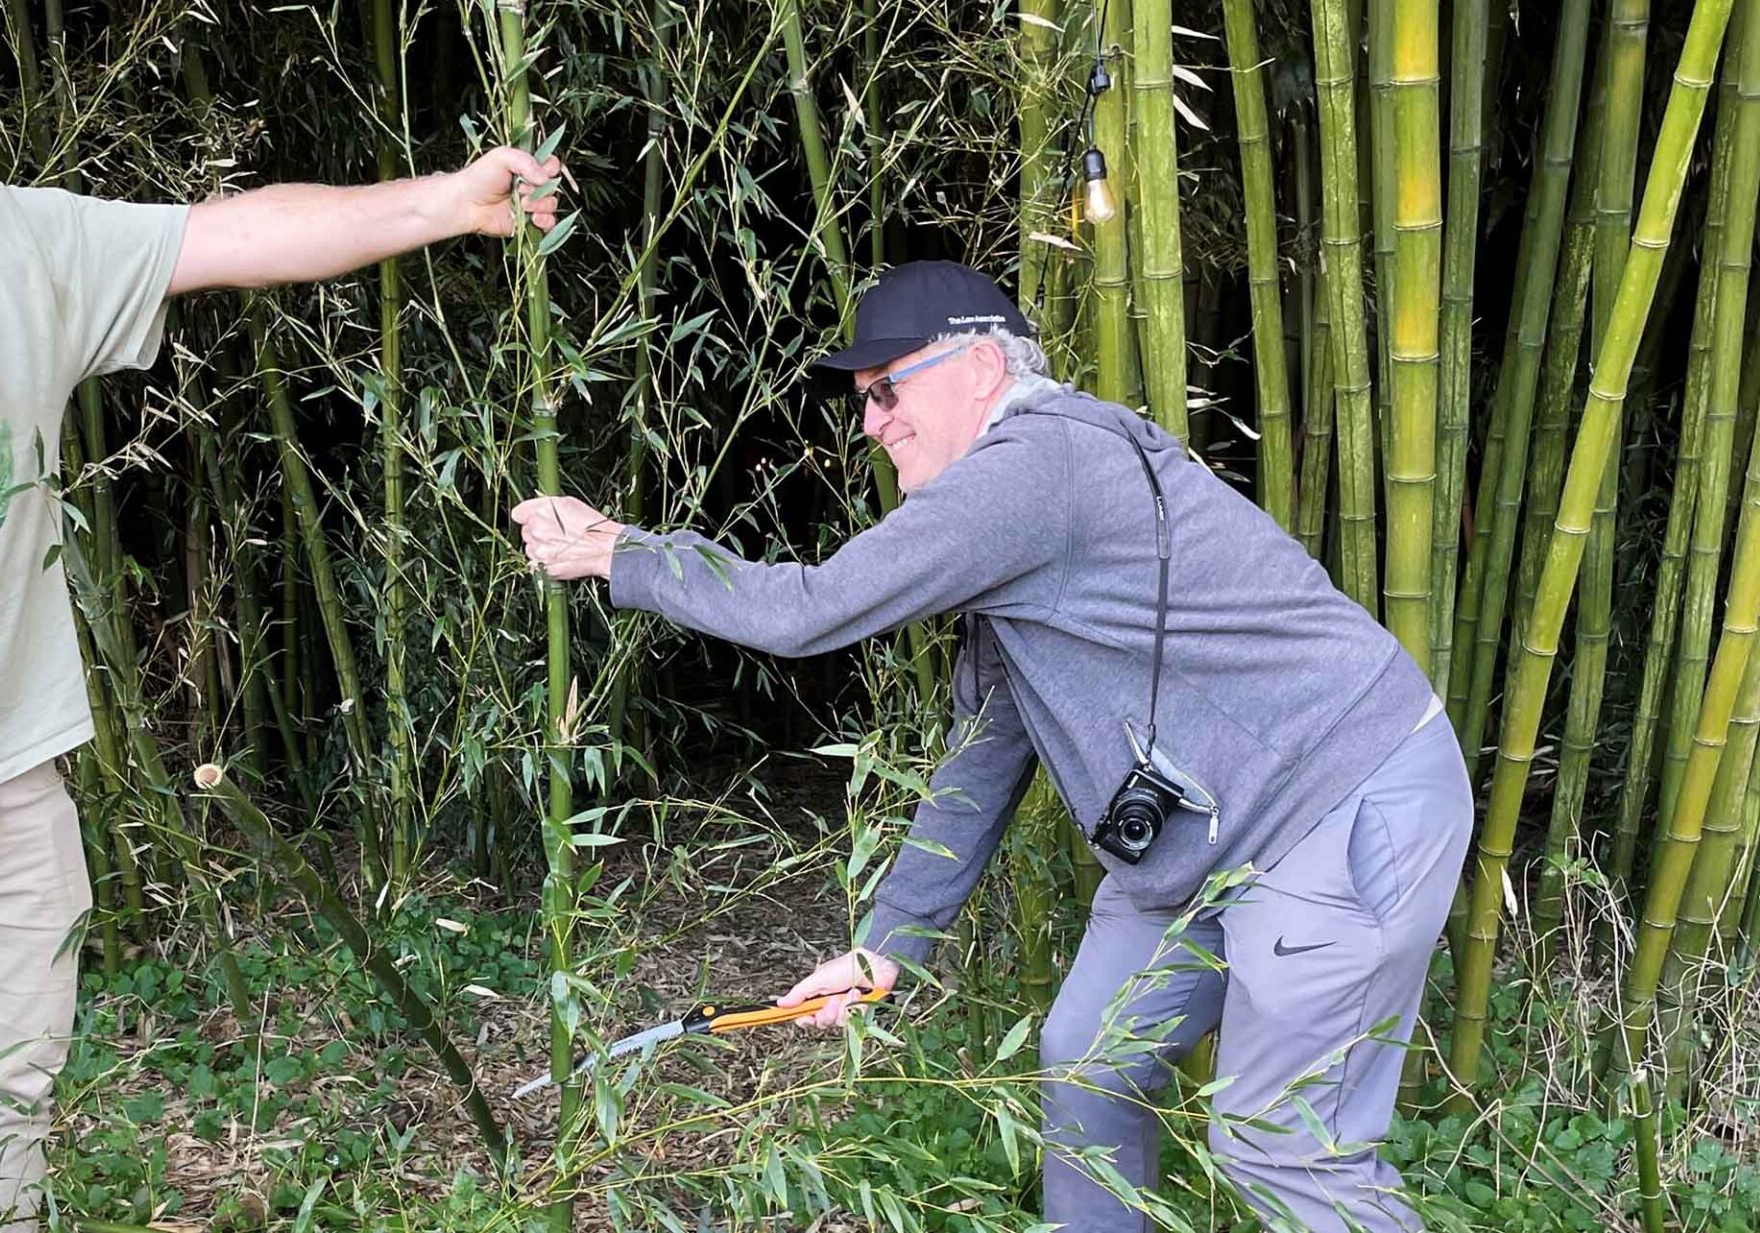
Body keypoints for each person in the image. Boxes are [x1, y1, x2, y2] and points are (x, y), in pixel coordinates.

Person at [0, 0, 561, 1233]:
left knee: (2, 1099)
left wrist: (444, 203)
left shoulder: (0, 242)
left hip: (12, 783)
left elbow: (228, 237)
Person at [514, 259, 1474, 1233]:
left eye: (887, 389)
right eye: (860, 400)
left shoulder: (1029, 470)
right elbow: (981, 754)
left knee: (1280, 1147)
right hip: (1204, 833)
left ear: (977, 367)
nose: (870, 421)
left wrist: (622, 552)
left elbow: (813, 609)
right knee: (1090, 1060)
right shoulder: (1021, 525)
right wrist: (884, 947)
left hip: (1334, 805)